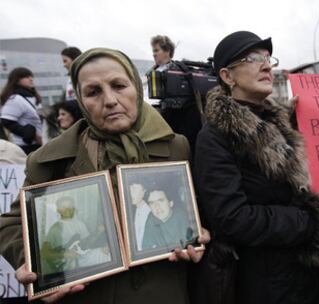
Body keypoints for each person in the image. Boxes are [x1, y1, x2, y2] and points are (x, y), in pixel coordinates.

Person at [0, 48, 209, 304]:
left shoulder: (177, 147)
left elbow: (196, 212)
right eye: (93, 92)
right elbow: (10, 224)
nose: (109, 100)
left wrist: (197, 234)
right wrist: (33, 261)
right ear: (80, 99)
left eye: (119, 85)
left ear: (136, 87)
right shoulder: (52, 159)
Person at [192, 31, 319, 304]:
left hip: (309, 277)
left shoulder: (282, 122)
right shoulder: (215, 136)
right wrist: (308, 222)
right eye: (252, 58)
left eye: (267, 58)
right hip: (261, 284)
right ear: (228, 76)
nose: (266, 65)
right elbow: (231, 218)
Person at [149, 35, 202, 155]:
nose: (154, 54)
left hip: (184, 119)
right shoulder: (155, 71)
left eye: (157, 50)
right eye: (153, 51)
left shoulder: (180, 70)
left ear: (167, 51)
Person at [41, 196, 90, 274]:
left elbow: (86, 244)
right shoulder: (55, 229)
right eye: (63, 207)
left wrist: (99, 233)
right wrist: (64, 254)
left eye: (70, 206)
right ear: (58, 210)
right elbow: (45, 253)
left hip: (78, 264)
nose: (67, 209)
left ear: (74, 208)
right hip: (62, 268)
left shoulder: (81, 224)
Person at [0, 67, 43, 155]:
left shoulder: (31, 97)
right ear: (16, 80)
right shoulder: (15, 99)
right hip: (25, 147)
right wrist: (31, 135)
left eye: (31, 76)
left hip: (38, 144)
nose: (31, 79)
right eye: (26, 77)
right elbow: (6, 121)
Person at [141, 185, 193, 250]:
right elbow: (146, 248)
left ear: (170, 203)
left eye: (160, 201)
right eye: (152, 203)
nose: (156, 206)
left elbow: (187, 245)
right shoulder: (151, 218)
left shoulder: (182, 216)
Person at [129, 183, 151, 251]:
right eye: (129, 189)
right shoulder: (136, 209)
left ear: (144, 192)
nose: (131, 193)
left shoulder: (148, 212)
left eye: (134, 189)